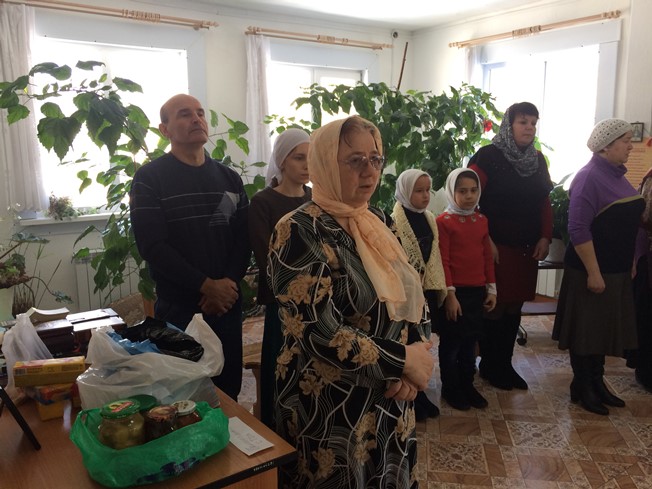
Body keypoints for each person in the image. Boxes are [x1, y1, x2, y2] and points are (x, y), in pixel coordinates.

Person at [268, 115, 434, 488]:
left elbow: (412, 293)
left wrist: (417, 356)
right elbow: (319, 331)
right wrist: (403, 361)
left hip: (391, 395)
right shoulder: (298, 229)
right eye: (355, 160)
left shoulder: (377, 219)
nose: (369, 170)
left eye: (375, 159)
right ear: (325, 164)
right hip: (332, 404)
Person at [129, 94, 251, 401]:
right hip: (179, 307)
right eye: (184, 114)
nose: (196, 119)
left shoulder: (229, 178)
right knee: (182, 396)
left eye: (200, 113)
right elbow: (153, 246)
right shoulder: (149, 179)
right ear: (165, 129)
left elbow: (243, 238)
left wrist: (227, 285)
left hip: (226, 306)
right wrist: (206, 286)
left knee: (228, 393)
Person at [552, 119, 644, 415]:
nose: (631, 147)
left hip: (616, 268)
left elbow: (628, 225)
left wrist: (631, 261)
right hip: (590, 270)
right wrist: (593, 271)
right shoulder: (589, 177)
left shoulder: (617, 175)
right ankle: (582, 386)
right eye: (626, 141)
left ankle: (596, 382)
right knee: (586, 332)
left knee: (602, 331)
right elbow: (578, 229)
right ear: (606, 146)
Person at [468, 101, 553, 391]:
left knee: (515, 305)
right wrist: (485, 238)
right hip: (496, 246)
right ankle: (489, 364)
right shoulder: (488, 156)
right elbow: (466, 198)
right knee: (495, 305)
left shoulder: (537, 159)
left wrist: (545, 236)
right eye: (523, 122)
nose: (529, 128)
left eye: (533, 123)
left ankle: (504, 363)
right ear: (509, 125)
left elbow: (544, 201)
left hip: (527, 247)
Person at [248, 128, 311, 428]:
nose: (307, 165)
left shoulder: (315, 198)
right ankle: (276, 430)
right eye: (299, 158)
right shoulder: (264, 202)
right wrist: (298, 288)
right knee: (280, 365)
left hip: (316, 299)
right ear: (282, 160)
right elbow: (267, 258)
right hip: (282, 300)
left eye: (311, 158)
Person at [436, 168, 496, 410]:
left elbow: (487, 257)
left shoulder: (481, 220)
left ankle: (467, 385)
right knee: (452, 343)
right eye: (462, 191)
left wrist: (491, 289)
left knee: (471, 342)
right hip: (456, 293)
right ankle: (451, 388)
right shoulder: (444, 222)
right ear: (452, 192)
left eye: (473, 190)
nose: (469, 196)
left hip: (476, 291)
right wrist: (449, 295)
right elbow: (443, 261)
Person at [391, 168, 446, 420]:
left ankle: (421, 392)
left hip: (426, 290)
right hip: (406, 291)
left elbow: (433, 256)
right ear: (405, 191)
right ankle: (412, 396)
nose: (425, 196)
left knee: (423, 339)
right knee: (409, 339)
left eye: (428, 190)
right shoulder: (394, 220)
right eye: (419, 191)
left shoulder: (429, 218)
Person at [630, 167, 652, 392]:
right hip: (649, 257)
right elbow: (645, 217)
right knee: (647, 316)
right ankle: (647, 372)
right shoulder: (651, 178)